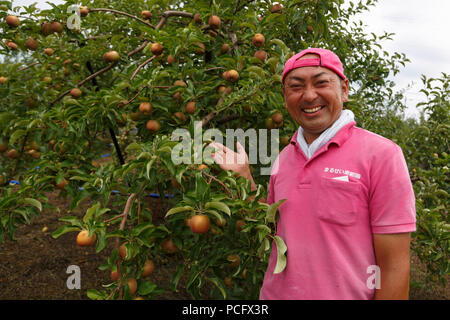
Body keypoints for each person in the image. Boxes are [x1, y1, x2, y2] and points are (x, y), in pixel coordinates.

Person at [209, 48, 416, 300]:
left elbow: (393, 268)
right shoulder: (285, 158)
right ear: (285, 98)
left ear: (344, 89)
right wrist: (244, 178)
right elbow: (274, 229)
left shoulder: (381, 155)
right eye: (296, 87)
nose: (309, 95)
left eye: (321, 83)